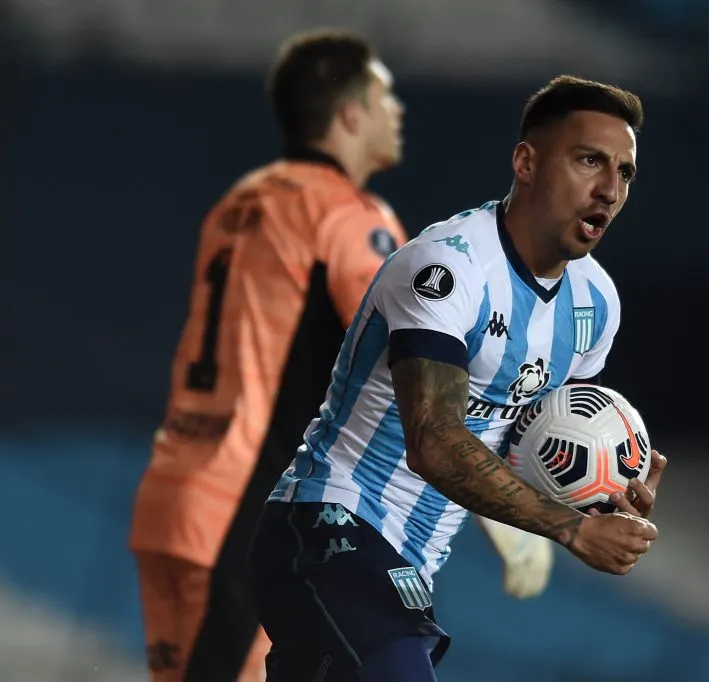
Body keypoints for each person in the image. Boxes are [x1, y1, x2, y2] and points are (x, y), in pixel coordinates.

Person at [247, 74, 668, 682]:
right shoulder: (449, 268)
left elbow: (534, 442)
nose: (609, 189)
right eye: (588, 161)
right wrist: (575, 530)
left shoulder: (595, 304)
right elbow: (434, 442)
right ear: (526, 162)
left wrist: (603, 493)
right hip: (327, 527)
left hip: (410, 565)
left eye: (624, 172)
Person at [128, 29, 407, 682]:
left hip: (176, 493)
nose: (399, 111)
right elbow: (413, 360)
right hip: (250, 513)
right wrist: (500, 507)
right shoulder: (349, 217)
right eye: (385, 96)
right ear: (350, 115)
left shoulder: (238, 204)